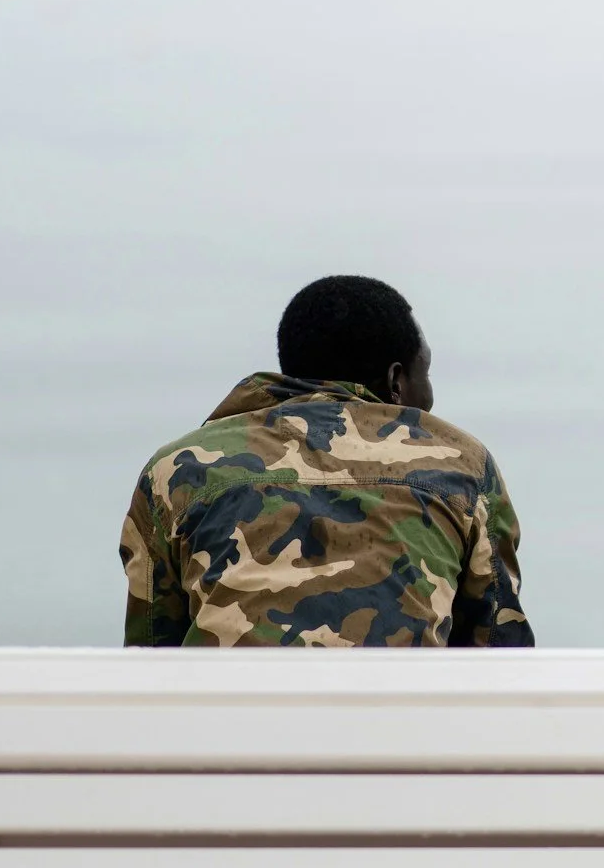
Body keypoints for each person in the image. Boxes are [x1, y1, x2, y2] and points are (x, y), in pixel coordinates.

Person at [121, 275, 532, 648]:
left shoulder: (176, 469)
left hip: (235, 722)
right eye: (425, 373)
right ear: (396, 381)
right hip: (401, 723)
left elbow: (153, 651)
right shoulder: (462, 464)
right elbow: (497, 648)